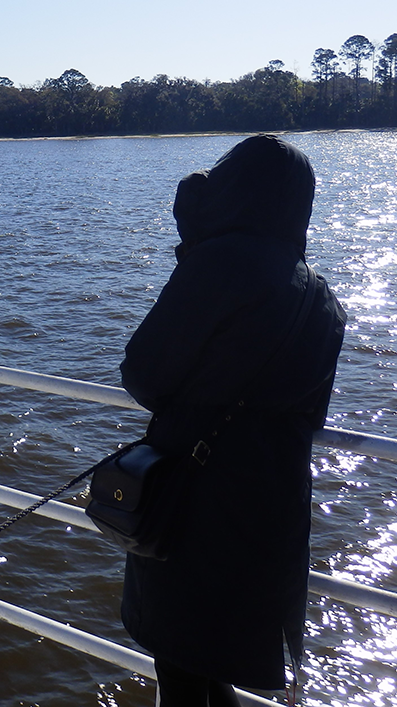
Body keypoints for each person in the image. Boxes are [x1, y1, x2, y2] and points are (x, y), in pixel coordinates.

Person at [118, 135, 346, 705]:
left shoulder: (220, 262)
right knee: (214, 672)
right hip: (271, 512)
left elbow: (144, 374)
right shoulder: (320, 296)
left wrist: (193, 242)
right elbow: (309, 416)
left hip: (196, 506)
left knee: (183, 670)